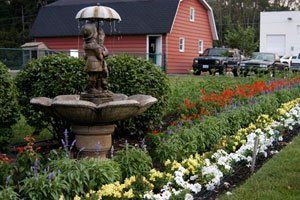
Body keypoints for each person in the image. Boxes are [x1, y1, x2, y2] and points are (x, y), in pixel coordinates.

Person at [81, 23, 109, 94]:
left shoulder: (85, 44)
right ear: (93, 34)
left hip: (89, 63)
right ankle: (91, 88)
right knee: (93, 77)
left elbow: (85, 55)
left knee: (93, 77)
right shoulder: (95, 46)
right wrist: (105, 52)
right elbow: (100, 56)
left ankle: (93, 88)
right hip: (95, 64)